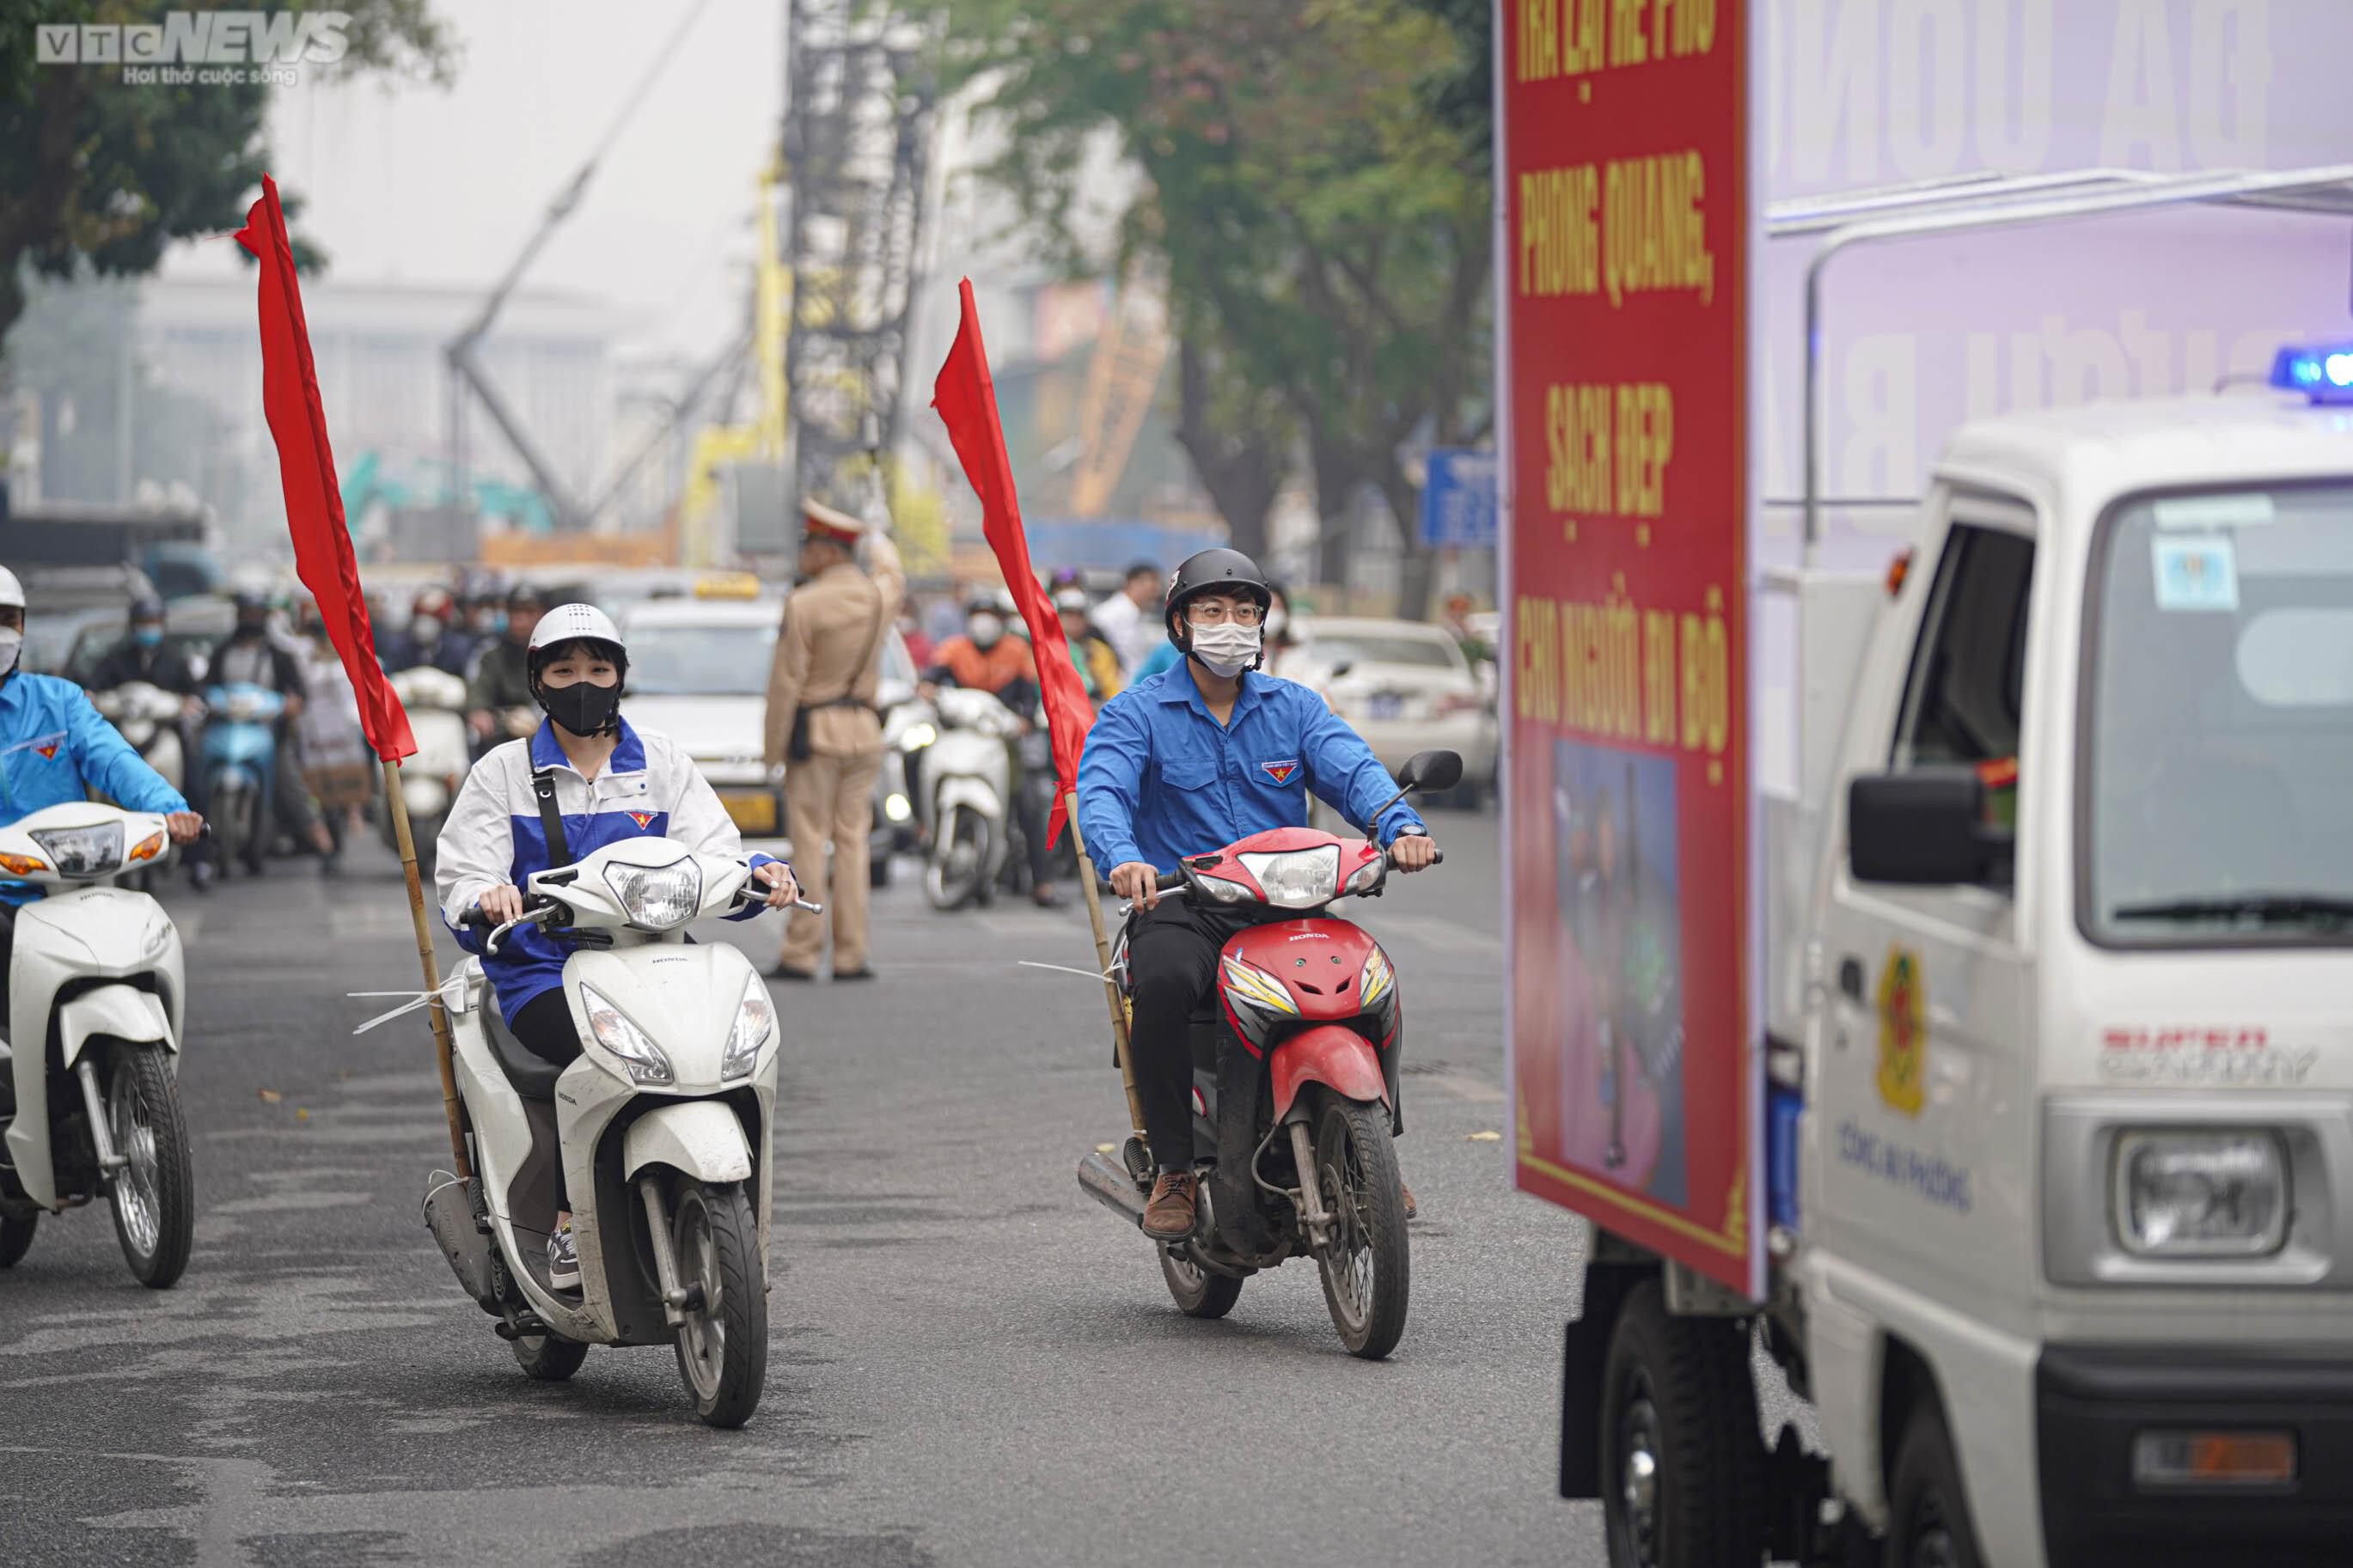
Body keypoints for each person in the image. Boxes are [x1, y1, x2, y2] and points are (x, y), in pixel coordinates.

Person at [437, 603, 802, 1290]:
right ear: (538, 680)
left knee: (724, 1048)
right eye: (565, 668)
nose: (584, 681)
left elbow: (716, 851)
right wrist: (488, 895)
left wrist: (761, 872)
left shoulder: (660, 760)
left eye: (599, 668)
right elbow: (464, 874)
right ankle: (573, 1220)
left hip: (654, 959)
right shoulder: (503, 772)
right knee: (597, 1052)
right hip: (542, 970)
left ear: (620, 676)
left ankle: (730, 1225)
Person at [1076, 548, 1439, 1237]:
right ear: (1180, 624)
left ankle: (1373, 1151)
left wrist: (1401, 827)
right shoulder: (1137, 713)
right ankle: (1177, 1169)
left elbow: (1353, 770)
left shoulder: (1295, 707)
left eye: (1246, 612)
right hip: (1185, 905)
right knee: (1159, 984)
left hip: (1288, 904)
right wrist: (1123, 858)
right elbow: (1103, 793)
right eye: (1213, 611)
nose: (1231, 625)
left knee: (1370, 981)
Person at [0, 567, 204, 1002]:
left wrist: (170, 808)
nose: (1, 633)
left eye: (8, 619)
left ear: (22, 626)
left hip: (73, 882)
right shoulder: (111, 661)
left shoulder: (59, 701)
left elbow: (114, 759)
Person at [762, 498, 905, 980]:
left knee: (808, 842)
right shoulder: (878, 597)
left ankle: (801, 952)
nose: (804, 554)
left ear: (826, 551)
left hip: (817, 735)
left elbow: (786, 683)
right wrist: (877, 533)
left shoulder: (805, 602)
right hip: (864, 732)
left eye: (809, 545)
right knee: (853, 845)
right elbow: (892, 572)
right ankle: (851, 954)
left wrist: (772, 750)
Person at [922, 593, 1061, 907]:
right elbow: (930, 679)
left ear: (1001, 621)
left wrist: (1024, 721)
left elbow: (1030, 697)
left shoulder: (1016, 652)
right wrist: (927, 689)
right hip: (958, 736)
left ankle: (1043, 882)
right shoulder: (953, 649)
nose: (983, 622)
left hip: (1001, 743)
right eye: (978, 614)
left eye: (990, 615)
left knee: (1028, 801)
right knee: (916, 758)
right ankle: (922, 826)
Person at [91, 595, 215, 888]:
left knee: (195, 783)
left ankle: (199, 860)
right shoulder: (114, 660)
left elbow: (197, 694)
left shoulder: (176, 660)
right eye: (143, 623)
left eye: (154, 623)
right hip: (123, 736)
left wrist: (189, 703)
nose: (149, 628)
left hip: (164, 734)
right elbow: (93, 687)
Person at [210, 590, 338, 870]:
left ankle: (322, 841)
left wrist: (292, 705)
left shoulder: (279, 656)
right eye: (247, 614)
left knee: (291, 785)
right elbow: (206, 688)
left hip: (268, 735)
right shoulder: (221, 653)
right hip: (227, 732)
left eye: (256, 614)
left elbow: (299, 692)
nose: (251, 620)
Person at [465, 583, 544, 747]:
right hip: (501, 729)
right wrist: (479, 711)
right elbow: (478, 688)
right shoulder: (490, 653)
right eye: (515, 611)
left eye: (529, 612)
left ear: (542, 614)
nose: (521, 618)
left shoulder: (555, 654)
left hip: (545, 727)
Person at [379, 589, 473, 677]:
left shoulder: (457, 647)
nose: (426, 621)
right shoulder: (399, 646)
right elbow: (390, 675)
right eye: (422, 614)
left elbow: (464, 677)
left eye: (434, 616)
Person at [1091, 560, 1163, 674]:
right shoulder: (1109, 613)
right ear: (1133, 583)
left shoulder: (1139, 614)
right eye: (1152, 583)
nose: (1157, 590)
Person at [1055, 585, 1123, 705]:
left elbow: (1112, 691)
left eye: (1079, 614)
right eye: (1068, 614)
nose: (1074, 620)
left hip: (1091, 710)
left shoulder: (1099, 651)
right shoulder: (1045, 648)